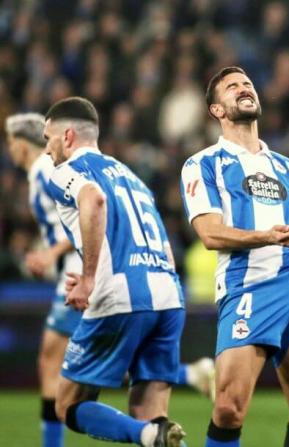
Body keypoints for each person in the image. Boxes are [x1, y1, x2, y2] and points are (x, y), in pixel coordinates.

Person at [180, 66, 289, 447]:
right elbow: (209, 233)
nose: (243, 88)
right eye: (232, 86)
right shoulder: (203, 163)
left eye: (248, 83)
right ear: (217, 111)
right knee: (228, 407)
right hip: (247, 284)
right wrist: (264, 237)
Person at [44, 96, 186, 446]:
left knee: (68, 404)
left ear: (68, 136)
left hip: (120, 297)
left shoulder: (66, 172)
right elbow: (166, 249)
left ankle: (146, 434)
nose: (47, 151)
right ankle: (154, 433)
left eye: (48, 139)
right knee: (151, 414)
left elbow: (93, 199)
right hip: (167, 295)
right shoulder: (133, 178)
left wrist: (92, 277)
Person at [5, 113, 83, 447]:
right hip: (74, 268)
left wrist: (51, 254)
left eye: (10, 142)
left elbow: (83, 214)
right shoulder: (43, 172)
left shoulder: (43, 171)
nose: (9, 149)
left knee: (52, 359)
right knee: (59, 358)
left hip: (77, 271)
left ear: (22, 144)